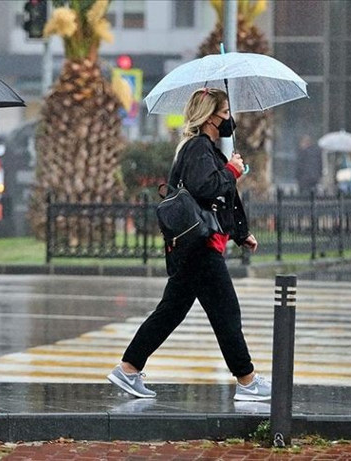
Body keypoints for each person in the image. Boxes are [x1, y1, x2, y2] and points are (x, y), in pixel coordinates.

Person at [107, 88, 270, 402]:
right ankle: (247, 380)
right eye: (224, 114)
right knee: (226, 312)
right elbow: (205, 187)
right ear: (209, 116)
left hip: (196, 245)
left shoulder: (204, 148)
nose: (229, 121)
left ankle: (128, 369)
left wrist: (240, 232)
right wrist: (232, 171)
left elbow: (220, 200)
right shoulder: (197, 147)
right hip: (199, 247)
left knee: (170, 312)